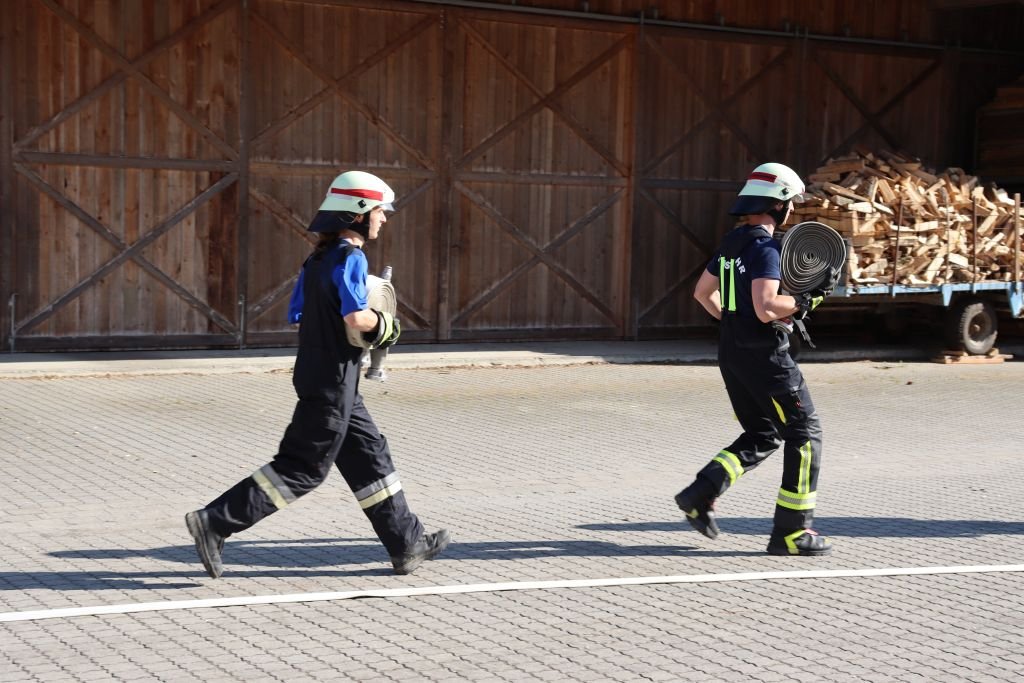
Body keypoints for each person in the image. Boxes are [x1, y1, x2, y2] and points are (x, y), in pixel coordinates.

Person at [186, 170, 450, 577]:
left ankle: (406, 543)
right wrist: (386, 327)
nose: (384, 218)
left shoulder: (317, 259)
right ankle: (216, 522)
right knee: (302, 467)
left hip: (325, 376)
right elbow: (356, 316)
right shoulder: (351, 257)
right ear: (358, 213)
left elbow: (300, 315)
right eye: (380, 210)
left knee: (369, 455)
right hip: (332, 382)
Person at [674, 162, 833, 556]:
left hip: (732, 353)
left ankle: (700, 492)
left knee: (763, 434)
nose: (793, 209)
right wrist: (807, 299)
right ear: (780, 205)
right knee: (805, 436)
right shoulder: (765, 248)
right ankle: (793, 533)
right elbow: (766, 308)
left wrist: (735, 322)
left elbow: (702, 294)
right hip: (766, 358)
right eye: (792, 202)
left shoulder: (732, 243)